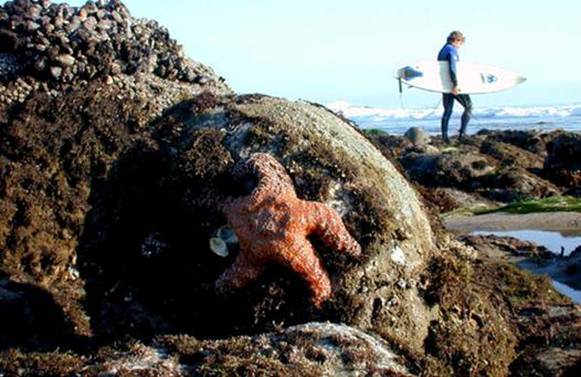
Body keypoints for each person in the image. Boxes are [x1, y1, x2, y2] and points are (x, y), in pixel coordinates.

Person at [438, 31, 472, 143]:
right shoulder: (451, 50)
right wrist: (455, 85)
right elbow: (452, 68)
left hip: (444, 85)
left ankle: (445, 138)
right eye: (461, 43)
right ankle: (462, 135)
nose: (460, 46)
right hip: (453, 85)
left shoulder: (442, 50)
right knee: (469, 106)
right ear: (457, 40)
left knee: (447, 110)